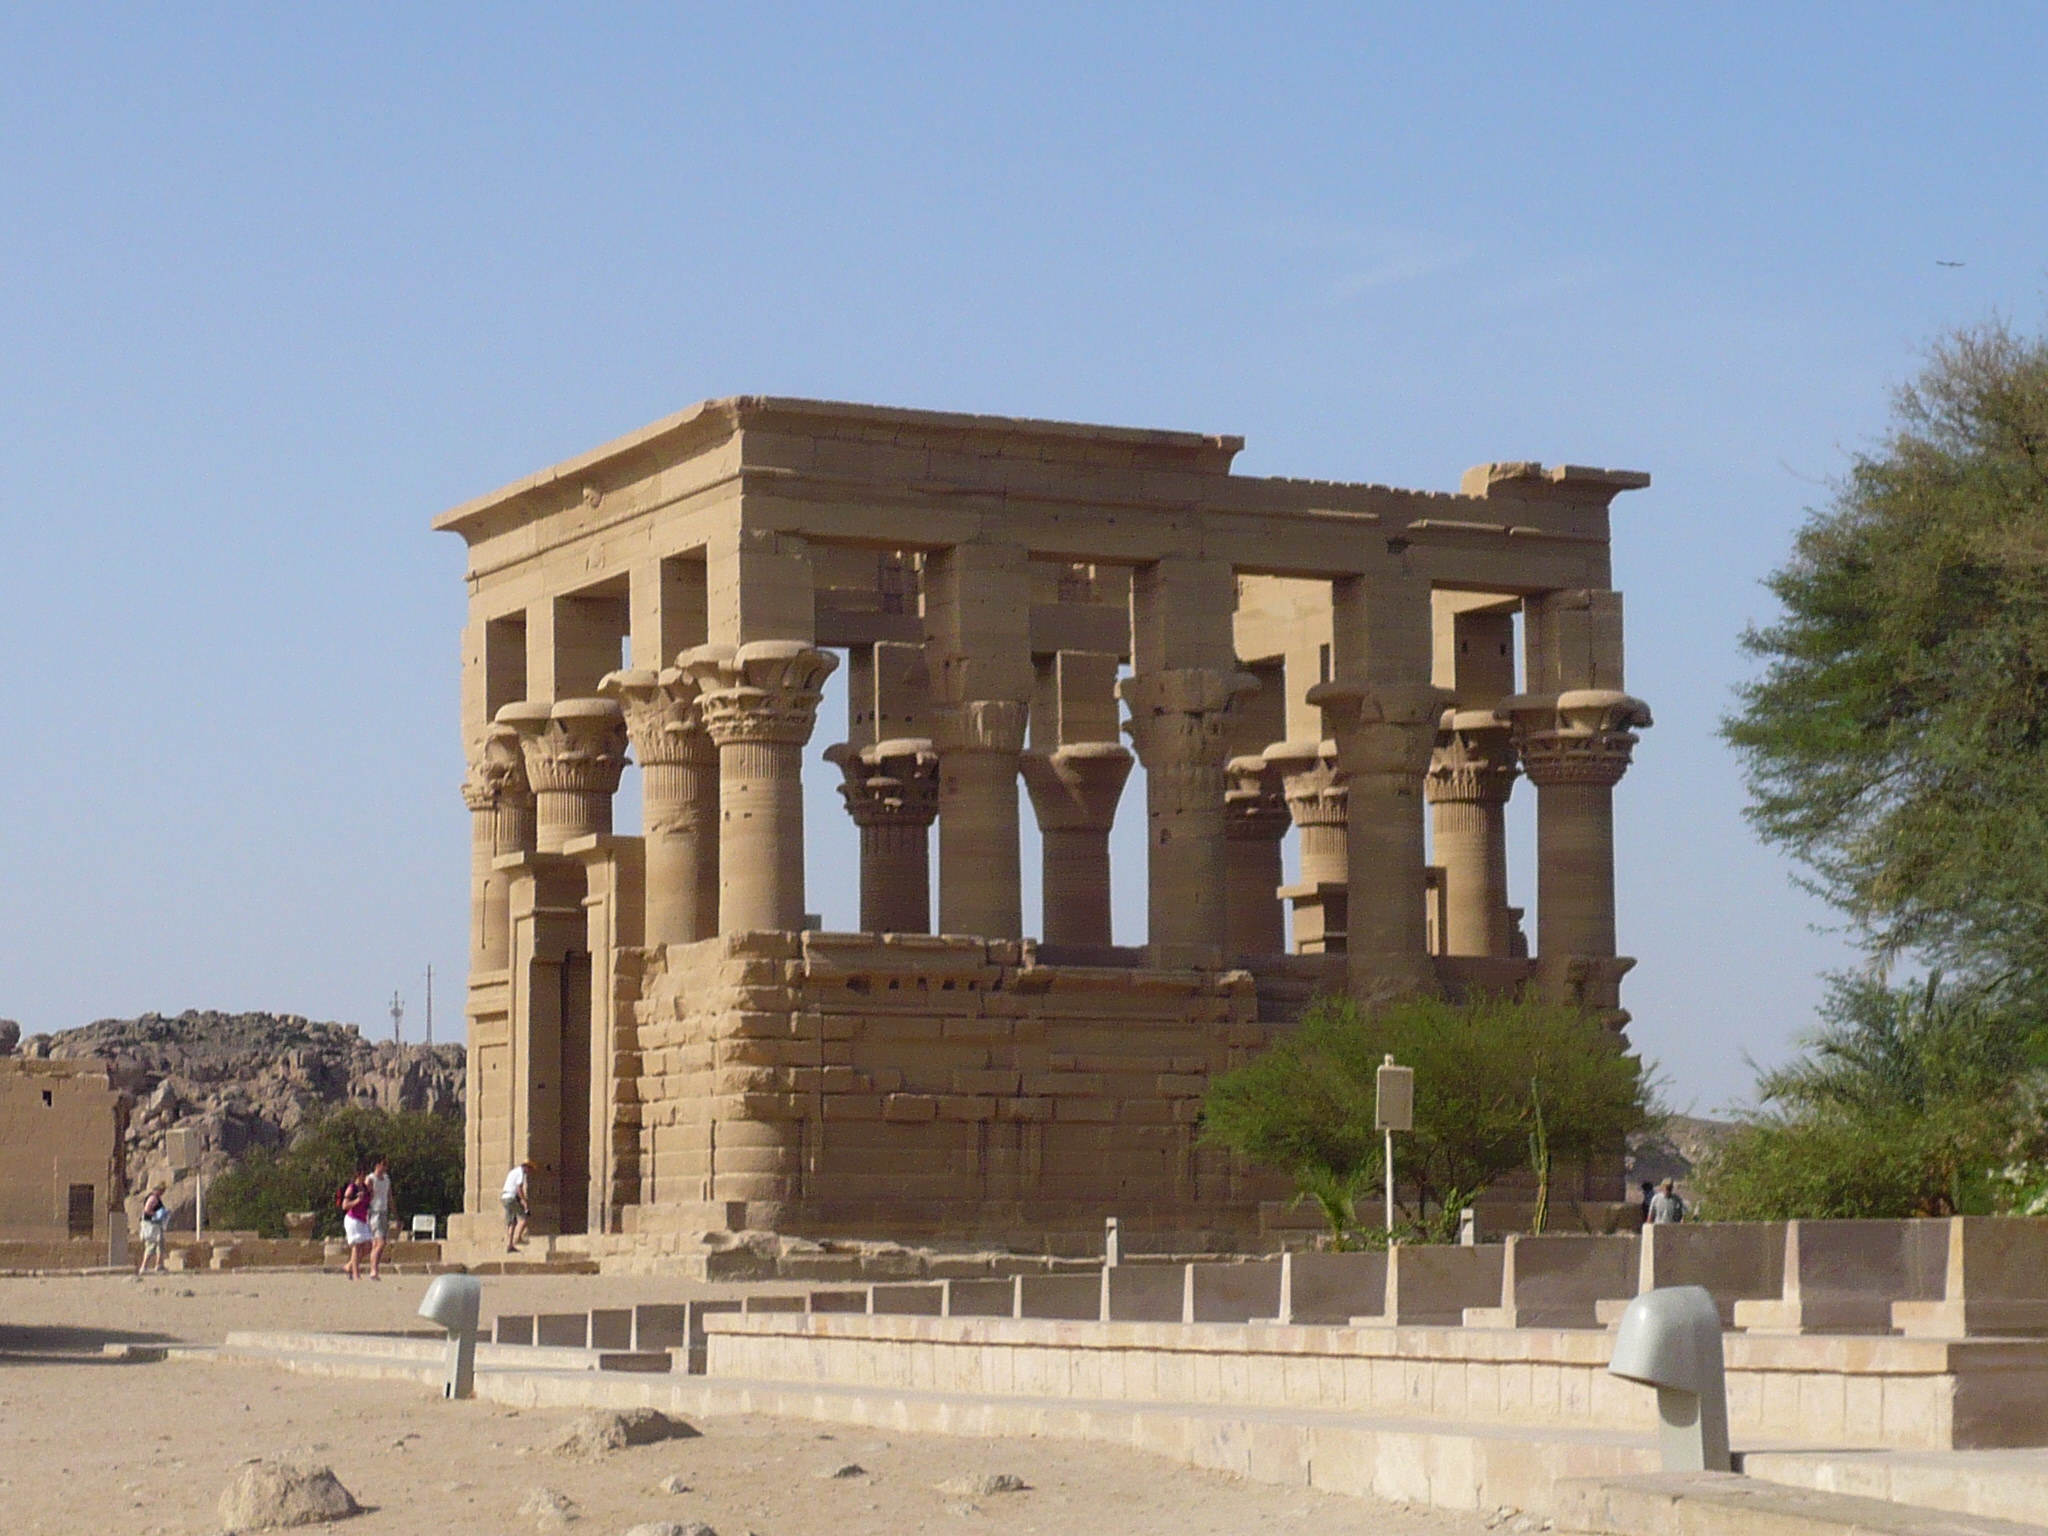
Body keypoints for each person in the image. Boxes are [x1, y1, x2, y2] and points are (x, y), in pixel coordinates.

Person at [338, 1169, 374, 1280]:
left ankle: (349, 1266)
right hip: (353, 1219)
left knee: (368, 1246)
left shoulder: (365, 1188)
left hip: (363, 1219)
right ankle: (356, 1274)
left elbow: (368, 1202)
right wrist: (357, 1200)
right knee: (357, 1246)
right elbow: (345, 1206)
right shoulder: (352, 1188)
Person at [365, 1156, 392, 1281]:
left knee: (377, 1243)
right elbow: (366, 1197)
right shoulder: (371, 1179)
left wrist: (395, 1213)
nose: (385, 1167)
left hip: (384, 1211)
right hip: (374, 1212)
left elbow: (389, 1196)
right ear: (377, 1165)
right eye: (383, 1164)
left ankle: (374, 1269)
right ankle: (374, 1270)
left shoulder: (386, 1179)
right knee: (380, 1243)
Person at [136, 1185, 169, 1276]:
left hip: (156, 1225)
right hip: (151, 1226)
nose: (163, 1192)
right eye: (161, 1190)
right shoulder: (153, 1198)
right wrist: (157, 1214)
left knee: (160, 1245)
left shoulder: (156, 1198)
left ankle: (159, 1265)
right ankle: (144, 1266)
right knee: (151, 1245)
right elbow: (147, 1210)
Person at [502, 1160, 533, 1252]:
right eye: (530, 1169)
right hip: (511, 1197)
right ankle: (518, 1238)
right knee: (524, 1218)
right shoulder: (521, 1173)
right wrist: (524, 1201)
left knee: (512, 1222)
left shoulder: (513, 1172)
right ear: (527, 1167)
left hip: (504, 1197)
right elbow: (519, 1188)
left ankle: (510, 1244)